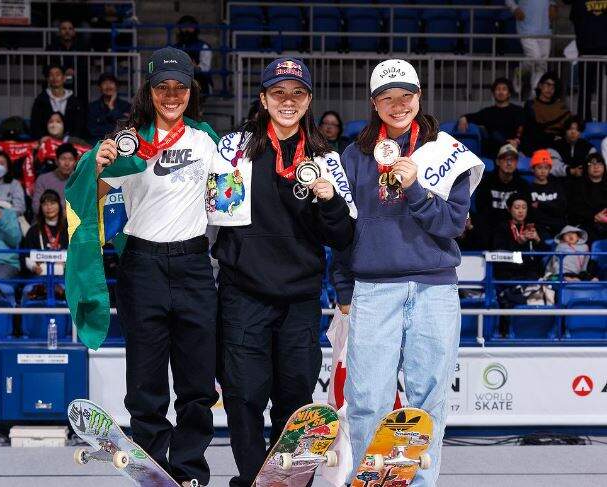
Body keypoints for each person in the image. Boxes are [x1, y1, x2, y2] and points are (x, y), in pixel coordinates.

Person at [212, 57, 355, 487]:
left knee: (295, 401)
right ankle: (255, 479)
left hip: (299, 298)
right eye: (278, 93)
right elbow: (209, 213)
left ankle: (291, 481)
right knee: (242, 396)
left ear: (308, 100)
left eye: (297, 94)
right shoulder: (232, 147)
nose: (287, 102)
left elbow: (344, 234)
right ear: (263, 98)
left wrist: (328, 198)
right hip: (242, 293)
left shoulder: (326, 157)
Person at [330, 59, 469, 487]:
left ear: (419, 97)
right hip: (373, 289)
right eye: (387, 98)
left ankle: (421, 484)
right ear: (374, 104)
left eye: (405, 97)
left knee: (428, 401)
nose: (397, 106)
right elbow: (343, 230)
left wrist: (415, 189)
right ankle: (367, 482)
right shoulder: (352, 157)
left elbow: (451, 224)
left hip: (435, 289)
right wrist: (343, 286)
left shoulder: (445, 151)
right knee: (367, 399)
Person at [94, 47, 219, 486]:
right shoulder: (126, 143)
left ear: (191, 90)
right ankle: (152, 471)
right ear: (149, 91)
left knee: (197, 383)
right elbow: (98, 214)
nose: (171, 95)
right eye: (162, 87)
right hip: (141, 264)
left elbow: (229, 201)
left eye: (179, 87)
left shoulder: (206, 139)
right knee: (145, 384)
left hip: (193, 263)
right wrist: (98, 170)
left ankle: (189, 472)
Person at [492, 192, 548, 306]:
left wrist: (538, 240)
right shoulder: (502, 227)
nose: (521, 211)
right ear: (509, 209)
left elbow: (545, 253)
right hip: (508, 274)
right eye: (517, 207)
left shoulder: (533, 227)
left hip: (530, 274)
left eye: (524, 207)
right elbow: (499, 251)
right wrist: (518, 243)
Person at [474, 143, 530, 247]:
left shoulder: (523, 185)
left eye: (512, 160)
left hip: (514, 226)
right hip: (491, 226)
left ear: (517, 163)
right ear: (498, 162)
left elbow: (527, 210)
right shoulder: (486, 183)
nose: (509, 163)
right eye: (505, 159)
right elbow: (481, 209)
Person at [457, 78, 525, 159]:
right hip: (494, 151)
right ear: (493, 93)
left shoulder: (518, 110)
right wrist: (463, 118)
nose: (501, 92)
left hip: (513, 148)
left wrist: (517, 141)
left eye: (504, 89)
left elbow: (522, 128)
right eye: (498, 89)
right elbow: (472, 116)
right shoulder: (487, 112)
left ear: (509, 93)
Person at [564, 0, 607, 121]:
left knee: (602, 90)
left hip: (599, 52)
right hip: (587, 51)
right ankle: (584, 122)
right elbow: (575, 19)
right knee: (585, 90)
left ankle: (602, 121)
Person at [506, 1, 557, 96]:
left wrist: (553, 5)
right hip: (526, 28)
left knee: (542, 64)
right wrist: (514, 8)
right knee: (534, 56)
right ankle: (519, 73)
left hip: (544, 28)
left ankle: (534, 94)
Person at [30, 63, 86, 140]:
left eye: (57, 74)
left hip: (70, 142)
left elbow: (79, 125)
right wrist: (42, 138)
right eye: (51, 75)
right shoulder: (40, 100)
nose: (54, 78)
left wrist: (71, 139)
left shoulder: (75, 102)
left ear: (64, 78)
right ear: (48, 79)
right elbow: (35, 124)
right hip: (46, 141)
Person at [521, 72, 571, 154]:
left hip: (558, 143)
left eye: (553, 86)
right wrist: (551, 137)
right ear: (540, 86)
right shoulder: (531, 105)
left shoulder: (560, 107)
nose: (550, 89)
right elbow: (532, 129)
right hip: (537, 143)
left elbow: (567, 126)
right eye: (548, 85)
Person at [24, 189, 68, 278]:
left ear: (59, 205)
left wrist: (67, 264)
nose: (49, 207)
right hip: (40, 275)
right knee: (28, 291)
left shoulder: (69, 229)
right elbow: (26, 255)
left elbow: (76, 254)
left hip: (65, 276)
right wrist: (33, 267)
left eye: (52, 203)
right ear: (41, 208)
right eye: (45, 204)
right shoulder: (33, 230)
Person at [45, 18, 90, 104]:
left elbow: (85, 66)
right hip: (57, 85)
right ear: (59, 32)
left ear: (74, 32)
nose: (67, 31)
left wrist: (74, 71)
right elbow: (46, 68)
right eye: (64, 29)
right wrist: (63, 71)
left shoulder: (82, 47)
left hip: (78, 85)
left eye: (70, 29)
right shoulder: (51, 48)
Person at [566, 152, 607, 242]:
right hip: (585, 224)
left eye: (599, 164)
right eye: (591, 164)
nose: (596, 167)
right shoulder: (576, 186)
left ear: (604, 167)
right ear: (586, 168)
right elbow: (574, 209)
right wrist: (594, 216)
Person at [529, 148, 567, 238]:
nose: (543, 171)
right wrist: (551, 206)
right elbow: (532, 213)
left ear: (550, 169)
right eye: (539, 167)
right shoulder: (528, 188)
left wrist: (540, 205)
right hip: (539, 227)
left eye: (546, 168)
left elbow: (562, 208)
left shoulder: (557, 186)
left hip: (558, 226)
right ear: (533, 169)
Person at [32, 143, 77, 213]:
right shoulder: (43, 179)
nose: (67, 163)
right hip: (46, 220)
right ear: (56, 161)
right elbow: (36, 206)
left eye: (71, 159)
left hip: (71, 221)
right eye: (63, 159)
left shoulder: (79, 181)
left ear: (75, 162)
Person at [174, 15, 213, 95]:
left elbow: (206, 67)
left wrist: (195, 68)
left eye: (190, 27)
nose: (187, 30)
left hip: (199, 81)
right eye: (184, 27)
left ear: (195, 28)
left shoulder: (203, 46)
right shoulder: (175, 48)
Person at [87, 73, 131, 143]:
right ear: (99, 87)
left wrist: (112, 108)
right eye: (104, 83)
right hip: (98, 143)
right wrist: (113, 130)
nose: (108, 86)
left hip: (120, 143)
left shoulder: (126, 106)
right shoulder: (93, 107)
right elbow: (92, 130)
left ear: (116, 86)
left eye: (111, 83)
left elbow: (127, 127)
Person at [0, 151, 26, 219]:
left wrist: (1, 214)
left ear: (7, 168)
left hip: (10, 221)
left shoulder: (14, 184)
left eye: (2, 163)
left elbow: (20, 208)